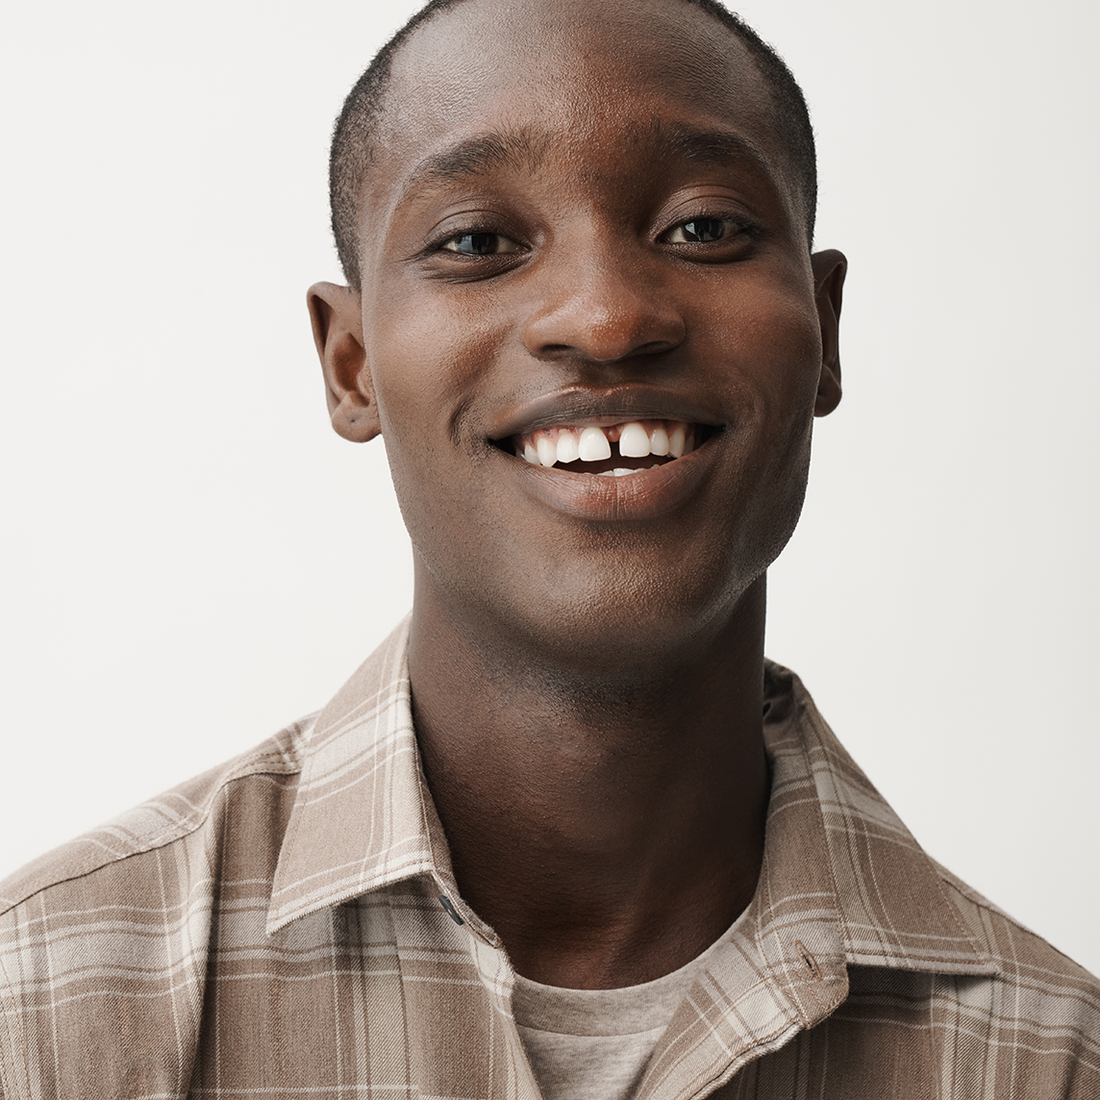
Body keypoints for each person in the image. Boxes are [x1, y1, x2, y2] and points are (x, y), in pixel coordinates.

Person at [0, 0, 1096, 1096]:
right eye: (477, 242)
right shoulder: (42, 1006)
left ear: (825, 330)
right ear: (352, 364)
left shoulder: (1051, 1062)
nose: (606, 318)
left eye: (703, 227)